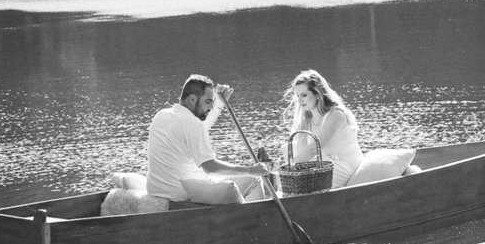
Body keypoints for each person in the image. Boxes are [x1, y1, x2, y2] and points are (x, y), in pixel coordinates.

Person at [146, 75, 271, 206]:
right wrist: (250, 170)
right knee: (255, 180)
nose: (211, 107)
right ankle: (255, 223)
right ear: (192, 99)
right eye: (208, 102)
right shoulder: (192, 123)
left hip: (158, 190)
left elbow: (199, 128)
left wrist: (219, 104)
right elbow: (210, 168)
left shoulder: (161, 115)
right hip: (183, 193)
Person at [285, 69, 363, 188]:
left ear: (317, 94)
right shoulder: (306, 120)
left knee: (307, 183)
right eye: (297, 96)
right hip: (325, 166)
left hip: (347, 166)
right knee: (291, 184)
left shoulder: (336, 114)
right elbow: (302, 152)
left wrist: (288, 167)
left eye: (304, 95)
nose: (299, 101)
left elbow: (315, 149)